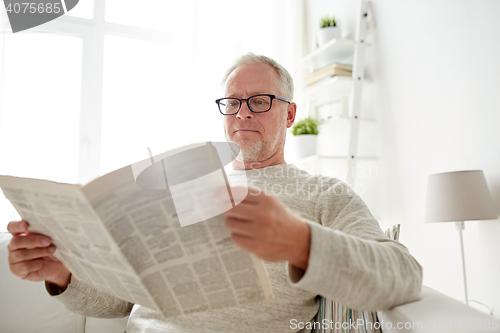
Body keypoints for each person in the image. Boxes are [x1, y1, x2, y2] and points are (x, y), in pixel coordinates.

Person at [7, 53, 423, 333]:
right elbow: (119, 303)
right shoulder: (181, 183)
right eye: (232, 102)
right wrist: (60, 273)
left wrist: (300, 240)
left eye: (259, 101)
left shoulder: (322, 193)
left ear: (291, 113)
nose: (242, 112)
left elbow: (403, 275)